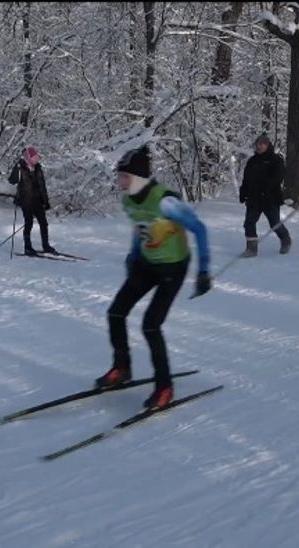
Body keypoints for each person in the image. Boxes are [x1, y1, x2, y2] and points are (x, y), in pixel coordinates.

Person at [94, 145, 212, 410]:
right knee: (116, 312)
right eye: (119, 176)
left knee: (150, 325)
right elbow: (140, 230)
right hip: (146, 265)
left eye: (123, 176)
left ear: (137, 177)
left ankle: (165, 387)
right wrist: (133, 256)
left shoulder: (165, 201)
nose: (119, 181)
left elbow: (199, 229)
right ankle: (121, 369)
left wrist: (203, 271)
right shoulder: (128, 200)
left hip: (173, 268)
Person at [239, 134, 291, 257]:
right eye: (257, 144)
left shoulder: (275, 160)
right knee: (249, 223)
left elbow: (278, 178)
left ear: (267, 145)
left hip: (270, 198)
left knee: (274, 223)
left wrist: (265, 187)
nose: (259, 146)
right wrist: (243, 192)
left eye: (262, 144)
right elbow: (246, 179)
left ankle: (285, 239)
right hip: (253, 198)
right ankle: (251, 249)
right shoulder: (252, 161)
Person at [8, 146, 55, 255]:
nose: (36, 160)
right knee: (28, 223)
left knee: (44, 223)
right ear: (28, 157)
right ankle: (28, 247)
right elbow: (12, 181)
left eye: (36, 157)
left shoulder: (38, 168)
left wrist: (46, 201)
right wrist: (17, 169)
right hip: (26, 201)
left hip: (38, 200)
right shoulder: (21, 167)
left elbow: (42, 185)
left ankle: (46, 245)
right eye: (33, 157)